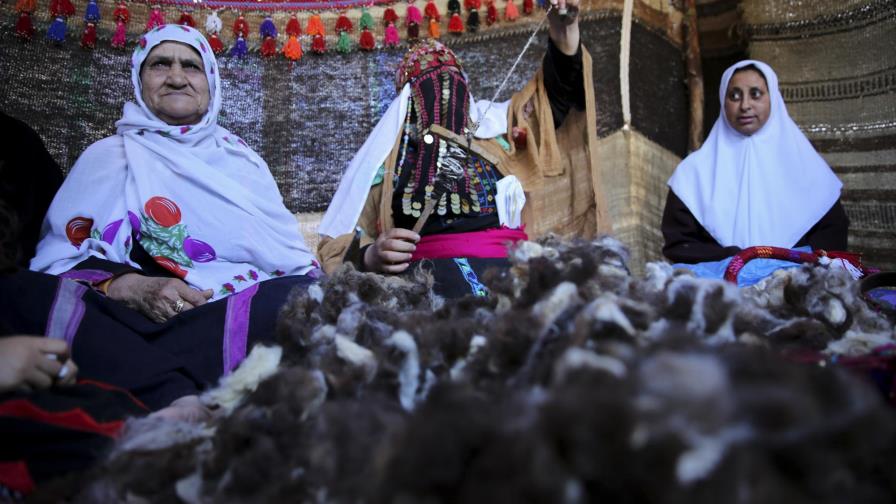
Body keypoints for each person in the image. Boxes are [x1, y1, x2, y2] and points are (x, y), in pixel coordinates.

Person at [13, 25, 319, 418]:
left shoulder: (243, 163)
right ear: (140, 80)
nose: (177, 77)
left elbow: (290, 259)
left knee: (300, 300)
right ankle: (177, 396)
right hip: (140, 325)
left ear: (211, 83)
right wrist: (128, 285)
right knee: (30, 298)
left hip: (246, 309)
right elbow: (56, 261)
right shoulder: (107, 157)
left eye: (192, 66)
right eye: (160, 64)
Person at [318, 0, 611, 298]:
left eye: (452, 83)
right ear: (407, 103)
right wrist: (372, 255)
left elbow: (553, 102)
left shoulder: (496, 132)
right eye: (429, 87)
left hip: (511, 277)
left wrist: (565, 30)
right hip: (426, 288)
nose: (443, 93)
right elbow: (338, 245)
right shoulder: (387, 161)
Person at [662, 60, 849, 264]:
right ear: (723, 102)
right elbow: (680, 245)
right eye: (734, 96)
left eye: (755, 94)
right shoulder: (693, 173)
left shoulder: (808, 168)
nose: (745, 105)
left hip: (796, 284)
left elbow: (832, 240)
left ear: (773, 99)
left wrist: (787, 266)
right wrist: (732, 259)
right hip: (718, 286)